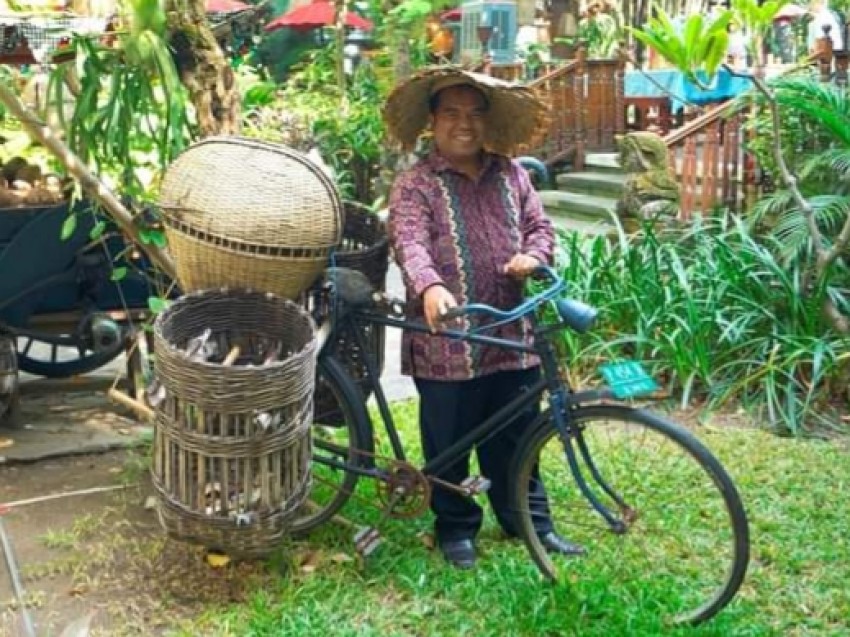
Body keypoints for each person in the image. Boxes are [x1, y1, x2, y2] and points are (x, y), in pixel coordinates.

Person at [382, 68, 585, 569]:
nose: (464, 124)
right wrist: (429, 286)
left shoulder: (512, 174)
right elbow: (408, 242)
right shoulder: (416, 184)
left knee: (519, 440)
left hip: (512, 331)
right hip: (447, 340)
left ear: (487, 122)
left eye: (474, 114)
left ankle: (529, 523)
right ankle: (455, 528)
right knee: (450, 441)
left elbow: (541, 227)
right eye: (451, 113)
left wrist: (535, 257)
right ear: (433, 122)